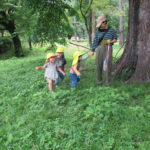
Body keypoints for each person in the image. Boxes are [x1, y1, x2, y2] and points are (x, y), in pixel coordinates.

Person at [89, 16, 117, 86]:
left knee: (108, 65)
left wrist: (109, 42)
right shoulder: (98, 30)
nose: (100, 26)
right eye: (99, 25)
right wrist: (92, 50)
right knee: (99, 65)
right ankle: (99, 82)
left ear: (104, 22)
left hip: (108, 48)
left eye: (101, 24)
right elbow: (95, 41)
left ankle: (108, 83)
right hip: (99, 48)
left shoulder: (112, 30)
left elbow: (115, 39)